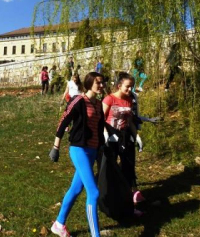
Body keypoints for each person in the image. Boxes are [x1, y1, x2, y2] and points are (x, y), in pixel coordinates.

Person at [49, 72, 105, 237]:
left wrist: (102, 147)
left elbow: (99, 127)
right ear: (89, 84)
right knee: (93, 192)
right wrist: (55, 147)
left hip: (93, 151)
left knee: (76, 188)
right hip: (79, 149)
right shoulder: (79, 100)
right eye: (98, 83)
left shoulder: (99, 104)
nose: (102, 85)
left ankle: (59, 224)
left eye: (103, 83)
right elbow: (63, 121)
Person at [103, 72, 144, 209]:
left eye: (131, 87)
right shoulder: (109, 99)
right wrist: (104, 134)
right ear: (119, 85)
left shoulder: (128, 100)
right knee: (112, 165)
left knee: (128, 164)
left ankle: (129, 194)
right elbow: (100, 119)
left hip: (125, 135)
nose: (129, 90)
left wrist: (136, 135)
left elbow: (130, 121)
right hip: (111, 135)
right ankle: (110, 194)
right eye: (127, 86)